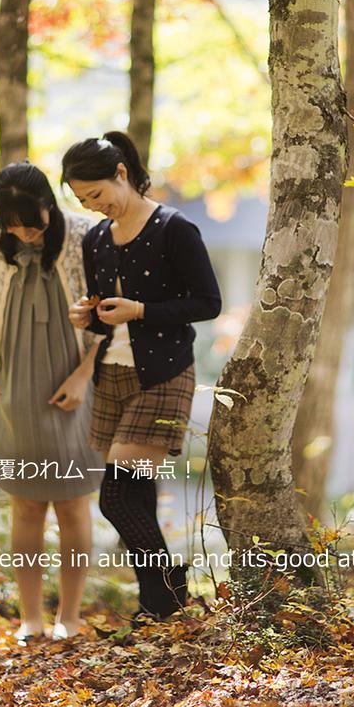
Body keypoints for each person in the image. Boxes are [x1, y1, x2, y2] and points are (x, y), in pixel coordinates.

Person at [61, 131, 222, 621]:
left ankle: (169, 586)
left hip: (164, 373)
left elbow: (207, 303)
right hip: (112, 374)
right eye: (84, 200)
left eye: (98, 194)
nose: (94, 206)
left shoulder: (174, 228)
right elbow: (104, 308)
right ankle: (159, 603)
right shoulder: (95, 240)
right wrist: (86, 315)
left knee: (114, 495)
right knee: (136, 497)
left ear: (122, 174)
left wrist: (141, 310)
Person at [0, 163, 104, 642]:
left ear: (51, 205)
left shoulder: (86, 236)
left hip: (74, 381)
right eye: (14, 224)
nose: (24, 232)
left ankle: (70, 615)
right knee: (25, 505)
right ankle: (31, 618)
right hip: (13, 383)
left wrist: (86, 375)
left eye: (33, 222)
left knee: (73, 504)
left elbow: (113, 312)